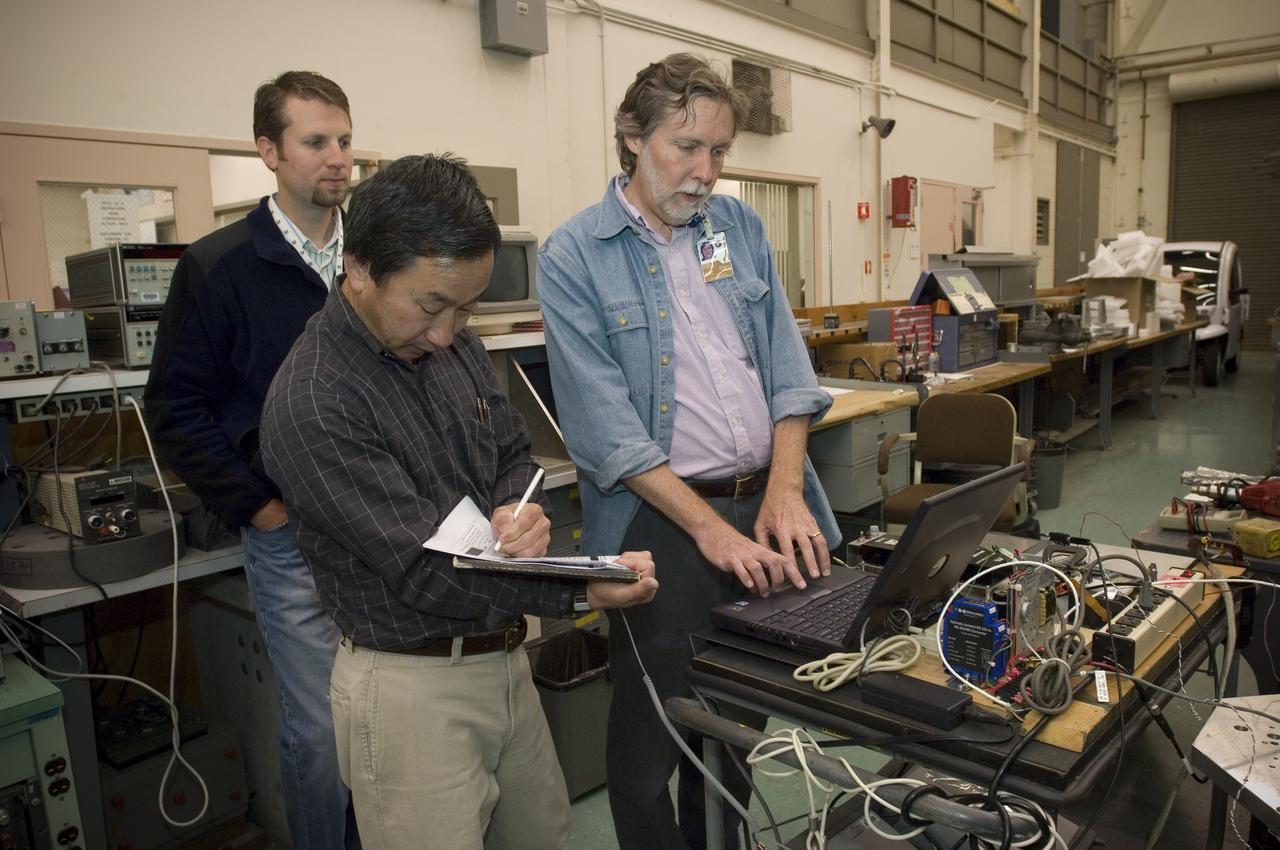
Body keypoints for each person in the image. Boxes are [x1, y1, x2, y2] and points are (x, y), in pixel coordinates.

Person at [257, 153, 659, 850]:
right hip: (410, 689)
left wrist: (517, 511)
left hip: (503, 661)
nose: (447, 333)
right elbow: (424, 570)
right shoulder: (314, 403)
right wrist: (576, 586)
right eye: (432, 305)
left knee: (544, 836)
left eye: (466, 307)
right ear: (357, 268)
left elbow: (509, 452)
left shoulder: (454, 346)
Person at [538, 53, 840, 849]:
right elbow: (606, 432)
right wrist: (710, 529)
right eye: (686, 147)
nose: (706, 172)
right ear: (633, 139)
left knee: (738, 729)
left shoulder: (736, 228)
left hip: (762, 505)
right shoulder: (576, 255)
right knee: (653, 739)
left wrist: (782, 490)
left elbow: (785, 366)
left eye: (720, 151)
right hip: (661, 527)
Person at [144, 71, 359, 849]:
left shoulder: (371, 256)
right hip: (292, 537)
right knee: (320, 737)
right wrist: (260, 507)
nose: (336, 158)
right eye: (314, 142)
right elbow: (173, 408)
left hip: (382, 528)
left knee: (384, 719)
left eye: (343, 140)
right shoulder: (220, 266)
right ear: (268, 151)